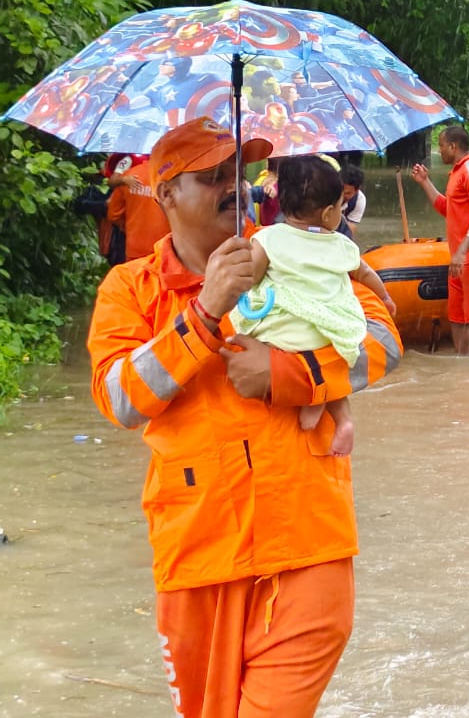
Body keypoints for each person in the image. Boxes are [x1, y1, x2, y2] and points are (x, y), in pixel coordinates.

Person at [87, 116, 403, 718]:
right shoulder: (130, 290)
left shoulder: (302, 249)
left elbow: (383, 341)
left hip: (308, 540)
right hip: (195, 555)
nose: (234, 187)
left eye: (237, 171)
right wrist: (203, 315)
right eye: (210, 177)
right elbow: (121, 399)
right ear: (165, 193)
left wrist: (290, 373)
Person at [229, 154, 397, 457]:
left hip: (283, 334)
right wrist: (384, 297)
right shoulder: (341, 244)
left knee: (260, 331)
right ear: (329, 213)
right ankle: (340, 418)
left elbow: (250, 278)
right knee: (327, 365)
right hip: (330, 331)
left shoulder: (267, 238)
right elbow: (366, 273)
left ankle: (308, 398)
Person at [410, 124, 469, 356]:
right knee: (457, 319)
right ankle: (461, 368)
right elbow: (449, 208)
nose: (440, 151)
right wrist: (425, 182)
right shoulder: (457, 172)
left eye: (442, 146)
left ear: (453, 146)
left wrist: (462, 251)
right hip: (458, 259)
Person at [106, 152, 171, 260]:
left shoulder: (127, 177)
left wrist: (131, 226)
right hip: (166, 250)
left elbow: (113, 215)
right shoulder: (173, 179)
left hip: (135, 249)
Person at [338, 163, 366, 239]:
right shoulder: (325, 192)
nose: (341, 196)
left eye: (347, 193)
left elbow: (351, 227)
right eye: (340, 190)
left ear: (357, 190)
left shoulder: (359, 200)